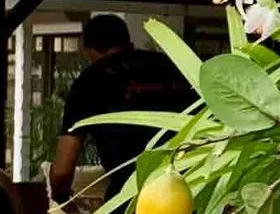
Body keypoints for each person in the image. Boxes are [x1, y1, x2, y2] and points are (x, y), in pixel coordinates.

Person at [48, 13, 183, 198]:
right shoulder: (171, 67)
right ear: (129, 44)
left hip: (127, 197)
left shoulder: (90, 81)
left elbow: (63, 168)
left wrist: (60, 195)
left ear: (89, 52)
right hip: (187, 192)